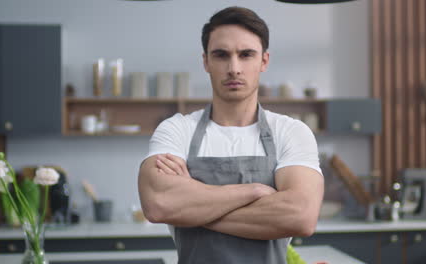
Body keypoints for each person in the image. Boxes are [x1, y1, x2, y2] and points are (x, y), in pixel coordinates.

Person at [138, 6, 324, 264]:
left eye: (246, 54)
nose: (234, 68)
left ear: (264, 61)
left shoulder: (291, 132)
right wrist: (256, 191)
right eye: (221, 55)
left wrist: (193, 206)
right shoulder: (177, 129)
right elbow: (158, 204)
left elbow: (301, 216)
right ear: (206, 62)